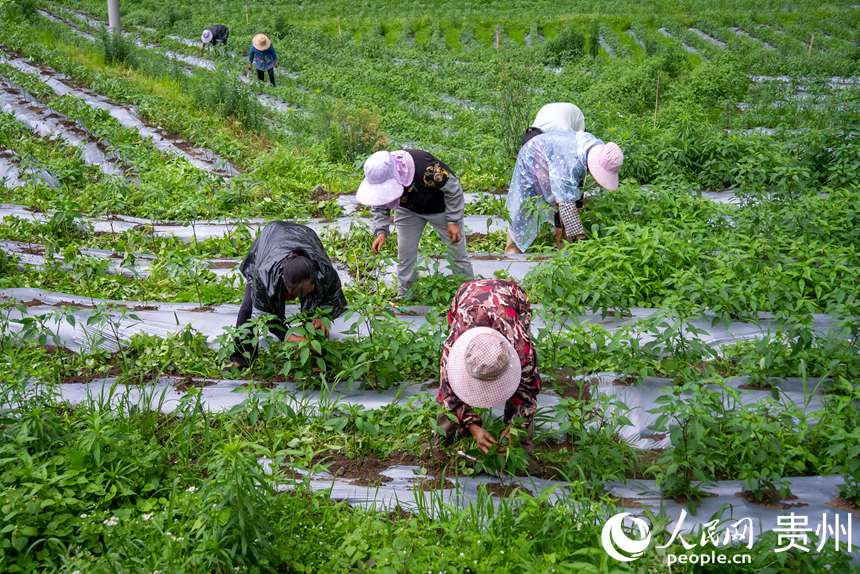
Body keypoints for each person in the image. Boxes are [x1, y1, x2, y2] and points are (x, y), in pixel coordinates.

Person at [436, 279, 541, 454]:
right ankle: (444, 437)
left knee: (523, 392)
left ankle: (521, 447)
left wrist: (515, 426)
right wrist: (473, 427)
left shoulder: (521, 349)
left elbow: (528, 390)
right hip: (468, 293)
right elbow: (447, 391)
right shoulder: (454, 347)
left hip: (510, 295)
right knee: (449, 394)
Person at [357, 149, 474, 298]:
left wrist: (453, 220)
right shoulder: (378, 174)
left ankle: (469, 294)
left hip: (441, 209)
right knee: (405, 254)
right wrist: (381, 231)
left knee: (457, 250)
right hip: (408, 210)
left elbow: (453, 188)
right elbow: (379, 200)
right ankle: (406, 295)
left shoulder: (426, 168)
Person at [229, 222, 346, 367]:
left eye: (304, 292)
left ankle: (318, 359)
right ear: (285, 285)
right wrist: (290, 337)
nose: (299, 296)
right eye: (295, 293)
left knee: (314, 316)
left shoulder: (324, 272)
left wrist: (322, 318)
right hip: (270, 239)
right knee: (248, 307)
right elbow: (264, 315)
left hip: (305, 236)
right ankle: (241, 359)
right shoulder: (264, 276)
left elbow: (332, 300)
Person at [506, 131, 623, 253]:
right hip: (533, 157)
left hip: (551, 156)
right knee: (527, 205)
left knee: (562, 203)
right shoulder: (569, 164)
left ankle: (562, 245)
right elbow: (566, 204)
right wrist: (581, 238)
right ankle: (512, 250)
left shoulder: (589, 147)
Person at [520, 103, 587, 248]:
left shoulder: (563, 136)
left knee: (568, 184)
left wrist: (562, 198)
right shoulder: (531, 140)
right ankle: (561, 235)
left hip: (574, 119)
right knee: (553, 185)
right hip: (550, 113)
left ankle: (569, 235)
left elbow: (564, 179)